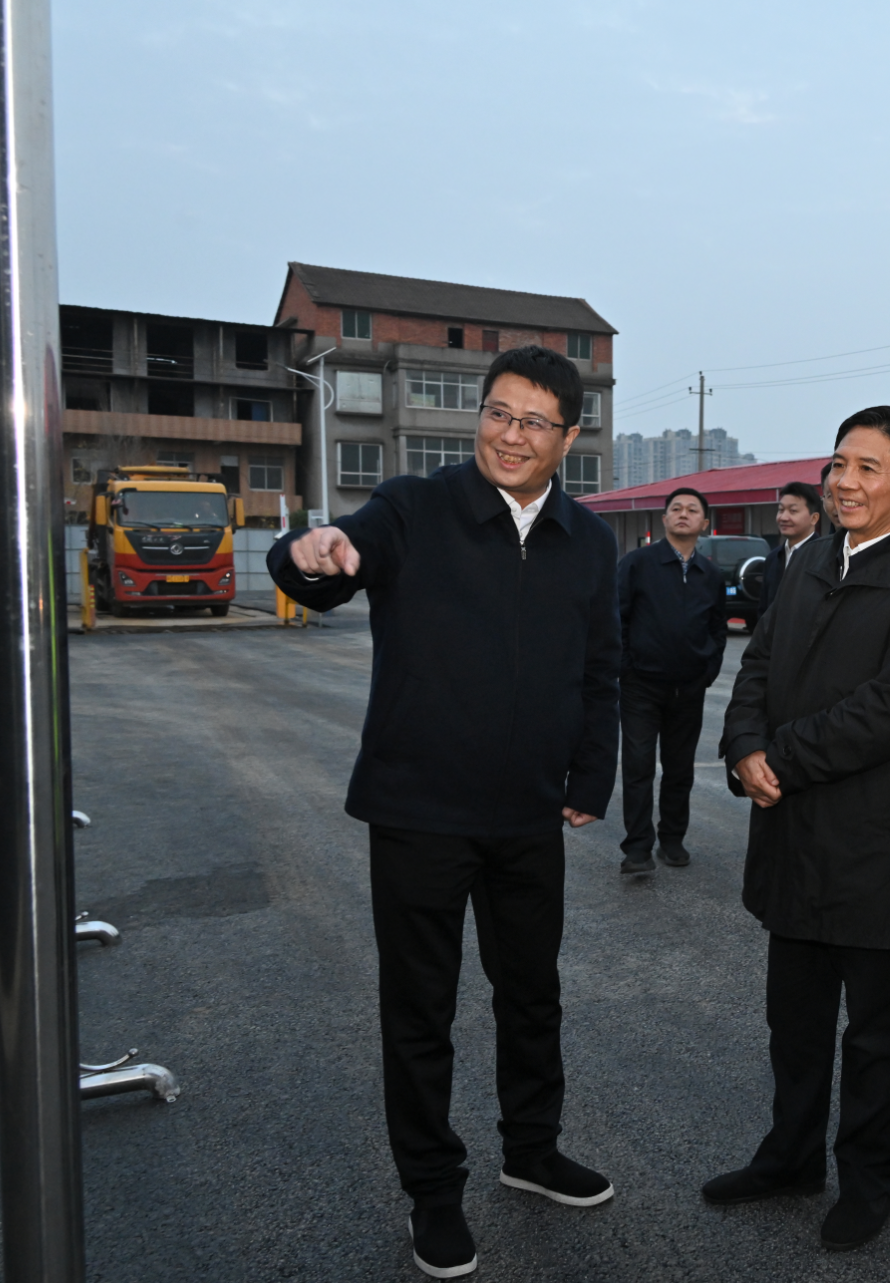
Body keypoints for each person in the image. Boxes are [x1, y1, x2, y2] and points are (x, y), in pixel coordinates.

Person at [268, 345, 619, 1280]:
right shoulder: (412, 508)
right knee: (420, 1006)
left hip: (528, 815)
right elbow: (333, 559)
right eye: (498, 412)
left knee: (531, 992)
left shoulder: (589, 541)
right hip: (419, 810)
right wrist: (307, 553)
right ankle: (433, 1190)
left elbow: (600, 670)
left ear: (568, 437)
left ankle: (531, 1149)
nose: (511, 435)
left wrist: (589, 778)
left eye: (534, 421)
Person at [707, 407, 890, 1252]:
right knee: (794, 1018)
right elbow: (756, 665)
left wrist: (776, 756)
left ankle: (868, 1181)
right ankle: (788, 1157)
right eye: (836, 464)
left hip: (875, 837)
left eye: (866, 468)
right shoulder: (810, 557)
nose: (842, 482)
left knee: (876, 1031)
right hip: (790, 826)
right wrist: (742, 745)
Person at [616, 486, 729, 875]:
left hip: (689, 688)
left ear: (704, 523)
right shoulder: (637, 564)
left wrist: (708, 670)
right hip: (641, 687)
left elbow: (718, 628)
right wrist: (626, 668)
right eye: (676, 508)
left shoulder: (710, 574)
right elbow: (617, 618)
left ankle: (672, 840)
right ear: (664, 519)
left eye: (692, 510)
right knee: (638, 766)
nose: (683, 514)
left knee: (680, 769)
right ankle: (637, 848)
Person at [760, 480, 823, 613]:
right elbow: (764, 609)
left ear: (814, 518)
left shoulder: (826, 557)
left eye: (793, 511)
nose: (783, 517)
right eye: (781, 510)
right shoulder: (772, 558)